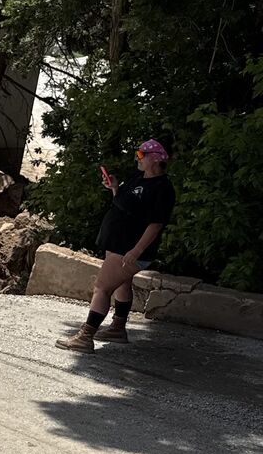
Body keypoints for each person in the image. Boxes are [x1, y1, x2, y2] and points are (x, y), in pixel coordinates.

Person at [55, 139, 176, 353]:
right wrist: (114, 188)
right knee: (122, 284)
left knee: (102, 288)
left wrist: (136, 251)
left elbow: (156, 224)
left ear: (155, 159)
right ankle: (118, 329)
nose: (137, 158)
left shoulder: (163, 188)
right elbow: (125, 204)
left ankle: (85, 337)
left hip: (129, 248)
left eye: (141, 155)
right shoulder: (138, 178)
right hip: (118, 243)